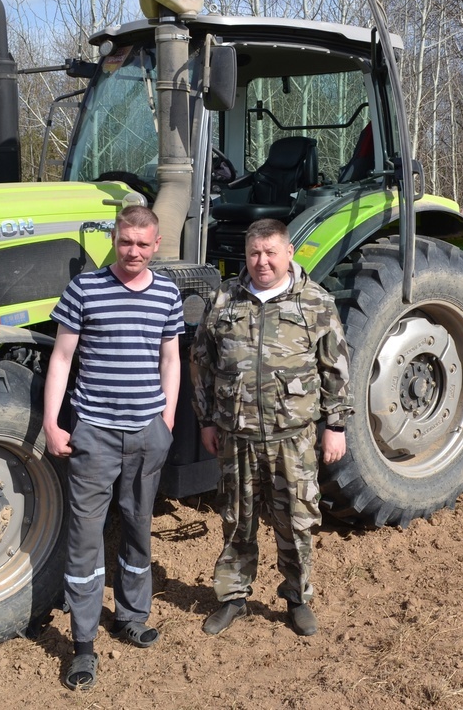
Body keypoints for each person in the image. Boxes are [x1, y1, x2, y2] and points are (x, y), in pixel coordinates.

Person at [42, 203, 183, 691]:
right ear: (115, 239)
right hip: (95, 432)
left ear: (156, 244)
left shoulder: (166, 292)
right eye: (126, 242)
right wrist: (52, 424)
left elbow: (171, 358)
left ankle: (131, 616)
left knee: (139, 526)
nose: (134, 252)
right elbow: (61, 359)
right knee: (85, 537)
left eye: (143, 244)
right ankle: (83, 645)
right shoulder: (85, 288)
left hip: (146, 432)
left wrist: (165, 420)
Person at [190, 217, 350, 637]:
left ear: (288, 253)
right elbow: (201, 362)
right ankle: (233, 598)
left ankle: (297, 599)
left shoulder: (314, 302)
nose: (262, 262)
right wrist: (206, 419)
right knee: (235, 520)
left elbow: (335, 368)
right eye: (254, 253)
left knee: (296, 522)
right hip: (236, 436)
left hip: (292, 439)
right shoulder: (225, 298)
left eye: (270, 252)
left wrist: (335, 425)